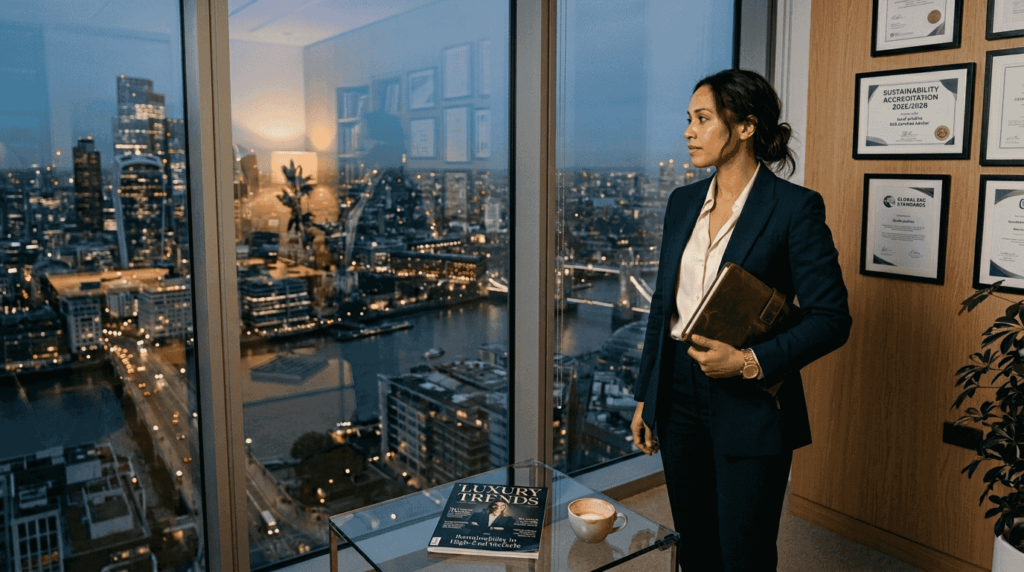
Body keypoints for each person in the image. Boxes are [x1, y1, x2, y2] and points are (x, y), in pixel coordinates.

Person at [629, 69, 852, 572]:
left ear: (746, 126)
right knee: (696, 546)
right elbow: (664, 305)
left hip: (750, 396)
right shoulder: (681, 202)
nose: (688, 131)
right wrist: (647, 394)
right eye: (688, 119)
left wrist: (749, 361)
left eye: (702, 119)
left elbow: (832, 319)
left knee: (744, 554)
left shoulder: (795, 208)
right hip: (678, 391)